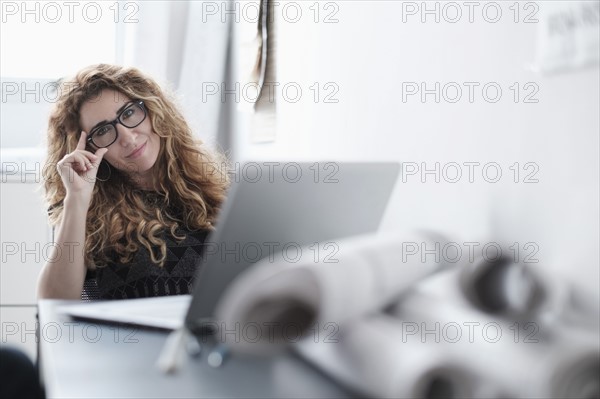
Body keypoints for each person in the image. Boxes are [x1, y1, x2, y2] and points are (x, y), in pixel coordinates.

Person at [37, 64, 229, 300]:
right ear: (89, 147)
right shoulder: (85, 209)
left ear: (153, 109)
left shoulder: (216, 189)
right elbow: (54, 303)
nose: (128, 138)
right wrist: (76, 198)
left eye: (128, 113)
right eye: (104, 130)